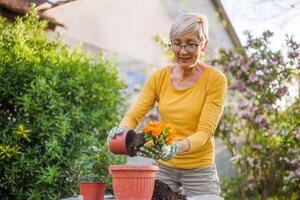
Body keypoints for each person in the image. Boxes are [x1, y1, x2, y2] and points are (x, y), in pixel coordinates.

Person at [108, 13, 227, 198]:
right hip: (164, 166)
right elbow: (134, 115)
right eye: (177, 43)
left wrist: (175, 148)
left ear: (204, 44)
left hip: (199, 167)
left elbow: (205, 133)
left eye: (191, 43)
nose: (183, 50)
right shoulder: (160, 77)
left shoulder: (215, 80)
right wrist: (122, 129)